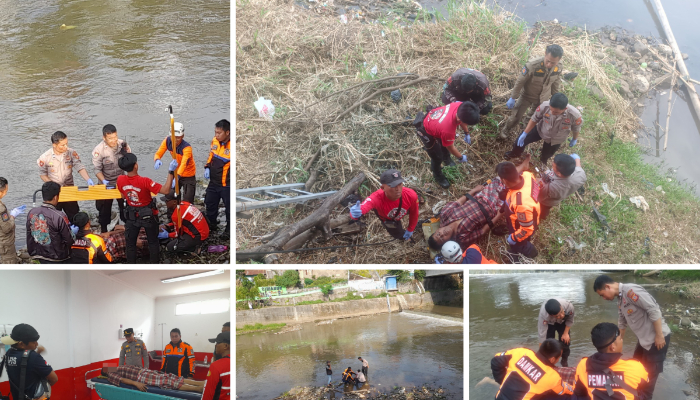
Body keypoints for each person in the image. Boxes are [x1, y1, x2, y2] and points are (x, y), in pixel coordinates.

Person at [594, 275, 671, 398]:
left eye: (602, 294)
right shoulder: (620, 299)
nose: (603, 298)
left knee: (649, 380)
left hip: (656, 340)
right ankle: (634, 394)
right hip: (643, 340)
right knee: (635, 367)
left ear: (607, 287)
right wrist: (617, 342)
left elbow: (654, 310)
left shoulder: (631, 291)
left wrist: (659, 335)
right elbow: (622, 322)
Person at [116, 153, 176, 264]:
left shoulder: (120, 179)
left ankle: (131, 265)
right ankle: (154, 264)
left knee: (130, 244)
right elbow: (166, 190)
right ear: (136, 166)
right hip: (148, 215)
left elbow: (123, 196)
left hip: (131, 216)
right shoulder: (145, 181)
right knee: (153, 242)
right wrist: (171, 172)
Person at [573, 322, 652, 400]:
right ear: (612, 347)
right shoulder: (635, 367)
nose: (622, 341)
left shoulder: (583, 365)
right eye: (620, 338)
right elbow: (646, 392)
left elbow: (578, 393)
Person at [501, 44, 564, 139]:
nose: (549, 65)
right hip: (527, 96)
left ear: (559, 60)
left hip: (543, 98)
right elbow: (520, 82)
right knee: (516, 117)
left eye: (553, 63)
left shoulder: (558, 67)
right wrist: (513, 97)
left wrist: (556, 98)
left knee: (533, 118)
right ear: (545, 54)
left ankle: (524, 132)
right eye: (548, 61)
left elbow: (556, 82)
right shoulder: (532, 65)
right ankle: (506, 129)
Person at [427, 179, 508, 252]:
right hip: (493, 208)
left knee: (503, 178)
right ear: (447, 242)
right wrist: (499, 215)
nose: (441, 234)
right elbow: (482, 231)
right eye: (442, 239)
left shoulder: (445, 214)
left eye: (438, 234)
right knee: (511, 194)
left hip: (482, 196)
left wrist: (474, 190)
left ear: (437, 230)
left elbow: (459, 202)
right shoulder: (462, 239)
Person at [413, 101, 481, 188]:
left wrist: (466, 132)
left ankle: (447, 159)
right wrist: (460, 157)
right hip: (426, 130)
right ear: (460, 119)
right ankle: (437, 174)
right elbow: (450, 147)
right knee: (437, 156)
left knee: (443, 142)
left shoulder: (460, 106)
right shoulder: (448, 130)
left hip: (435, 121)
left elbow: (462, 120)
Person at [504, 93, 583, 165]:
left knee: (547, 153)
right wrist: (525, 133)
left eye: (555, 112)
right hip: (541, 129)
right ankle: (515, 153)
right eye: (551, 109)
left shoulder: (574, 115)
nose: (552, 113)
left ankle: (542, 161)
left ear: (564, 109)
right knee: (520, 141)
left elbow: (576, 128)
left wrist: (574, 139)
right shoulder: (544, 106)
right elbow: (534, 119)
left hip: (556, 137)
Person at [37, 130, 95, 221]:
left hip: (69, 190)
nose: (66, 147)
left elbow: (79, 167)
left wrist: (88, 179)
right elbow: (43, 175)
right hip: (55, 194)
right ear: (54, 145)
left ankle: (75, 233)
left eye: (66, 144)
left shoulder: (71, 153)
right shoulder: (45, 157)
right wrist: (53, 185)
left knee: (74, 215)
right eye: (62, 145)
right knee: (54, 218)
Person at [349, 169, 420, 241]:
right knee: (397, 233)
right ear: (383, 188)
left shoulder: (411, 195)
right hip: (388, 218)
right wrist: (355, 213)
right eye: (393, 186)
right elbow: (365, 206)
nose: (398, 189)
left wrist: (411, 229)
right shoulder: (377, 198)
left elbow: (414, 213)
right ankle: (402, 238)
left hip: (404, 209)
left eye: (400, 184)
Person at [491, 339, 573, 399]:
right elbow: (564, 390)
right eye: (559, 357)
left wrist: (502, 380)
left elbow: (496, 360)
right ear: (552, 359)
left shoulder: (522, 352)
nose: (558, 360)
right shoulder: (552, 376)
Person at [496, 159, 541, 259]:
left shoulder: (521, 204)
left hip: (520, 225)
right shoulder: (527, 175)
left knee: (520, 243)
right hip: (526, 214)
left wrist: (513, 238)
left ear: (504, 180)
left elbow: (526, 230)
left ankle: (529, 251)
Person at [0, 323, 58, 400]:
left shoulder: (8, 353)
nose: (37, 344)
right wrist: (43, 389)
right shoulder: (34, 357)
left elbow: (24, 363)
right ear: (21, 344)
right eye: (34, 342)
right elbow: (54, 379)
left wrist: (37, 353)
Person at [92, 124, 131, 232]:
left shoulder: (122, 145)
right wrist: (104, 181)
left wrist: (126, 156)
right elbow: (97, 169)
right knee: (104, 210)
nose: (114, 140)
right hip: (106, 183)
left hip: (121, 182)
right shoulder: (99, 150)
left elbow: (131, 162)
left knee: (125, 207)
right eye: (110, 138)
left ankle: (127, 228)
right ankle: (104, 231)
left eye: (115, 137)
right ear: (104, 138)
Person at [26, 181, 74, 263]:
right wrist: (73, 232)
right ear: (56, 197)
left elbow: (29, 233)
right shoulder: (59, 215)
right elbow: (69, 240)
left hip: (39, 254)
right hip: (58, 257)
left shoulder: (31, 212)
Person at [154, 122, 197, 203]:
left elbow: (184, 164)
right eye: (173, 137)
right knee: (170, 194)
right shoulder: (167, 141)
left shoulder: (187, 148)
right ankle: (173, 210)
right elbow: (159, 152)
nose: (175, 140)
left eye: (178, 137)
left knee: (188, 200)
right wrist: (157, 159)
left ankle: (186, 212)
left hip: (188, 175)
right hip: (176, 171)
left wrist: (177, 177)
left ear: (182, 136)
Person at [538, 154, 586, 221]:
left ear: (559, 174)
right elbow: (579, 167)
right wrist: (577, 159)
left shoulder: (553, 187)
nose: (552, 163)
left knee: (542, 209)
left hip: (546, 201)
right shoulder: (580, 175)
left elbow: (538, 196)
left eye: (553, 165)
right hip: (556, 198)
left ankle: (540, 216)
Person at [204, 119, 231, 240]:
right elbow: (211, 155)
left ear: (227, 132)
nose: (216, 135)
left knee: (229, 208)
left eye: (219, 133)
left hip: (226, 184)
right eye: (215, 132)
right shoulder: (215, 141)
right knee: (209, 202)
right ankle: (212, 224)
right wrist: (207, 167)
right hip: (213, 181)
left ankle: (229, 230)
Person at [102, 365, 204, 393]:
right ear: (106, 372)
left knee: (170, 376)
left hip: (144, 372)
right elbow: (122, 380)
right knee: (168, 381)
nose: (108, 366)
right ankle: (198, 389)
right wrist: (136, 384)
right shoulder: (111, 374)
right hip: (141, 377)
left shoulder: (115, 368)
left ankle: (201, 383)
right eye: (106, 368)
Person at [538, 299, 575, 367]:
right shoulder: (544, 315)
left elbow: (570, 320)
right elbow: (542, 333)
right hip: (550, 323)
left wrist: (566, 333)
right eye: (557, 316)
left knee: (565, 341)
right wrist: (541, 352)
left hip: (563, 323)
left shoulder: (569, 306)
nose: (561, 315)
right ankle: (548, 362)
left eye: (561, 312)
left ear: (561, 306)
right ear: (551, 315)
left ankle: (564, 360)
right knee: (548, 344)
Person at [0, 177, 26, 263]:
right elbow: (7, 228)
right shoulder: (1, 208)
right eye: (6, 190)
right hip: (5, 245)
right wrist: (12, 216)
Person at [202, 331, 230, 400]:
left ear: (225, 346)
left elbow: (208, 395)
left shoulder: (217, 366)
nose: (215, 345)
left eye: (217, 343)